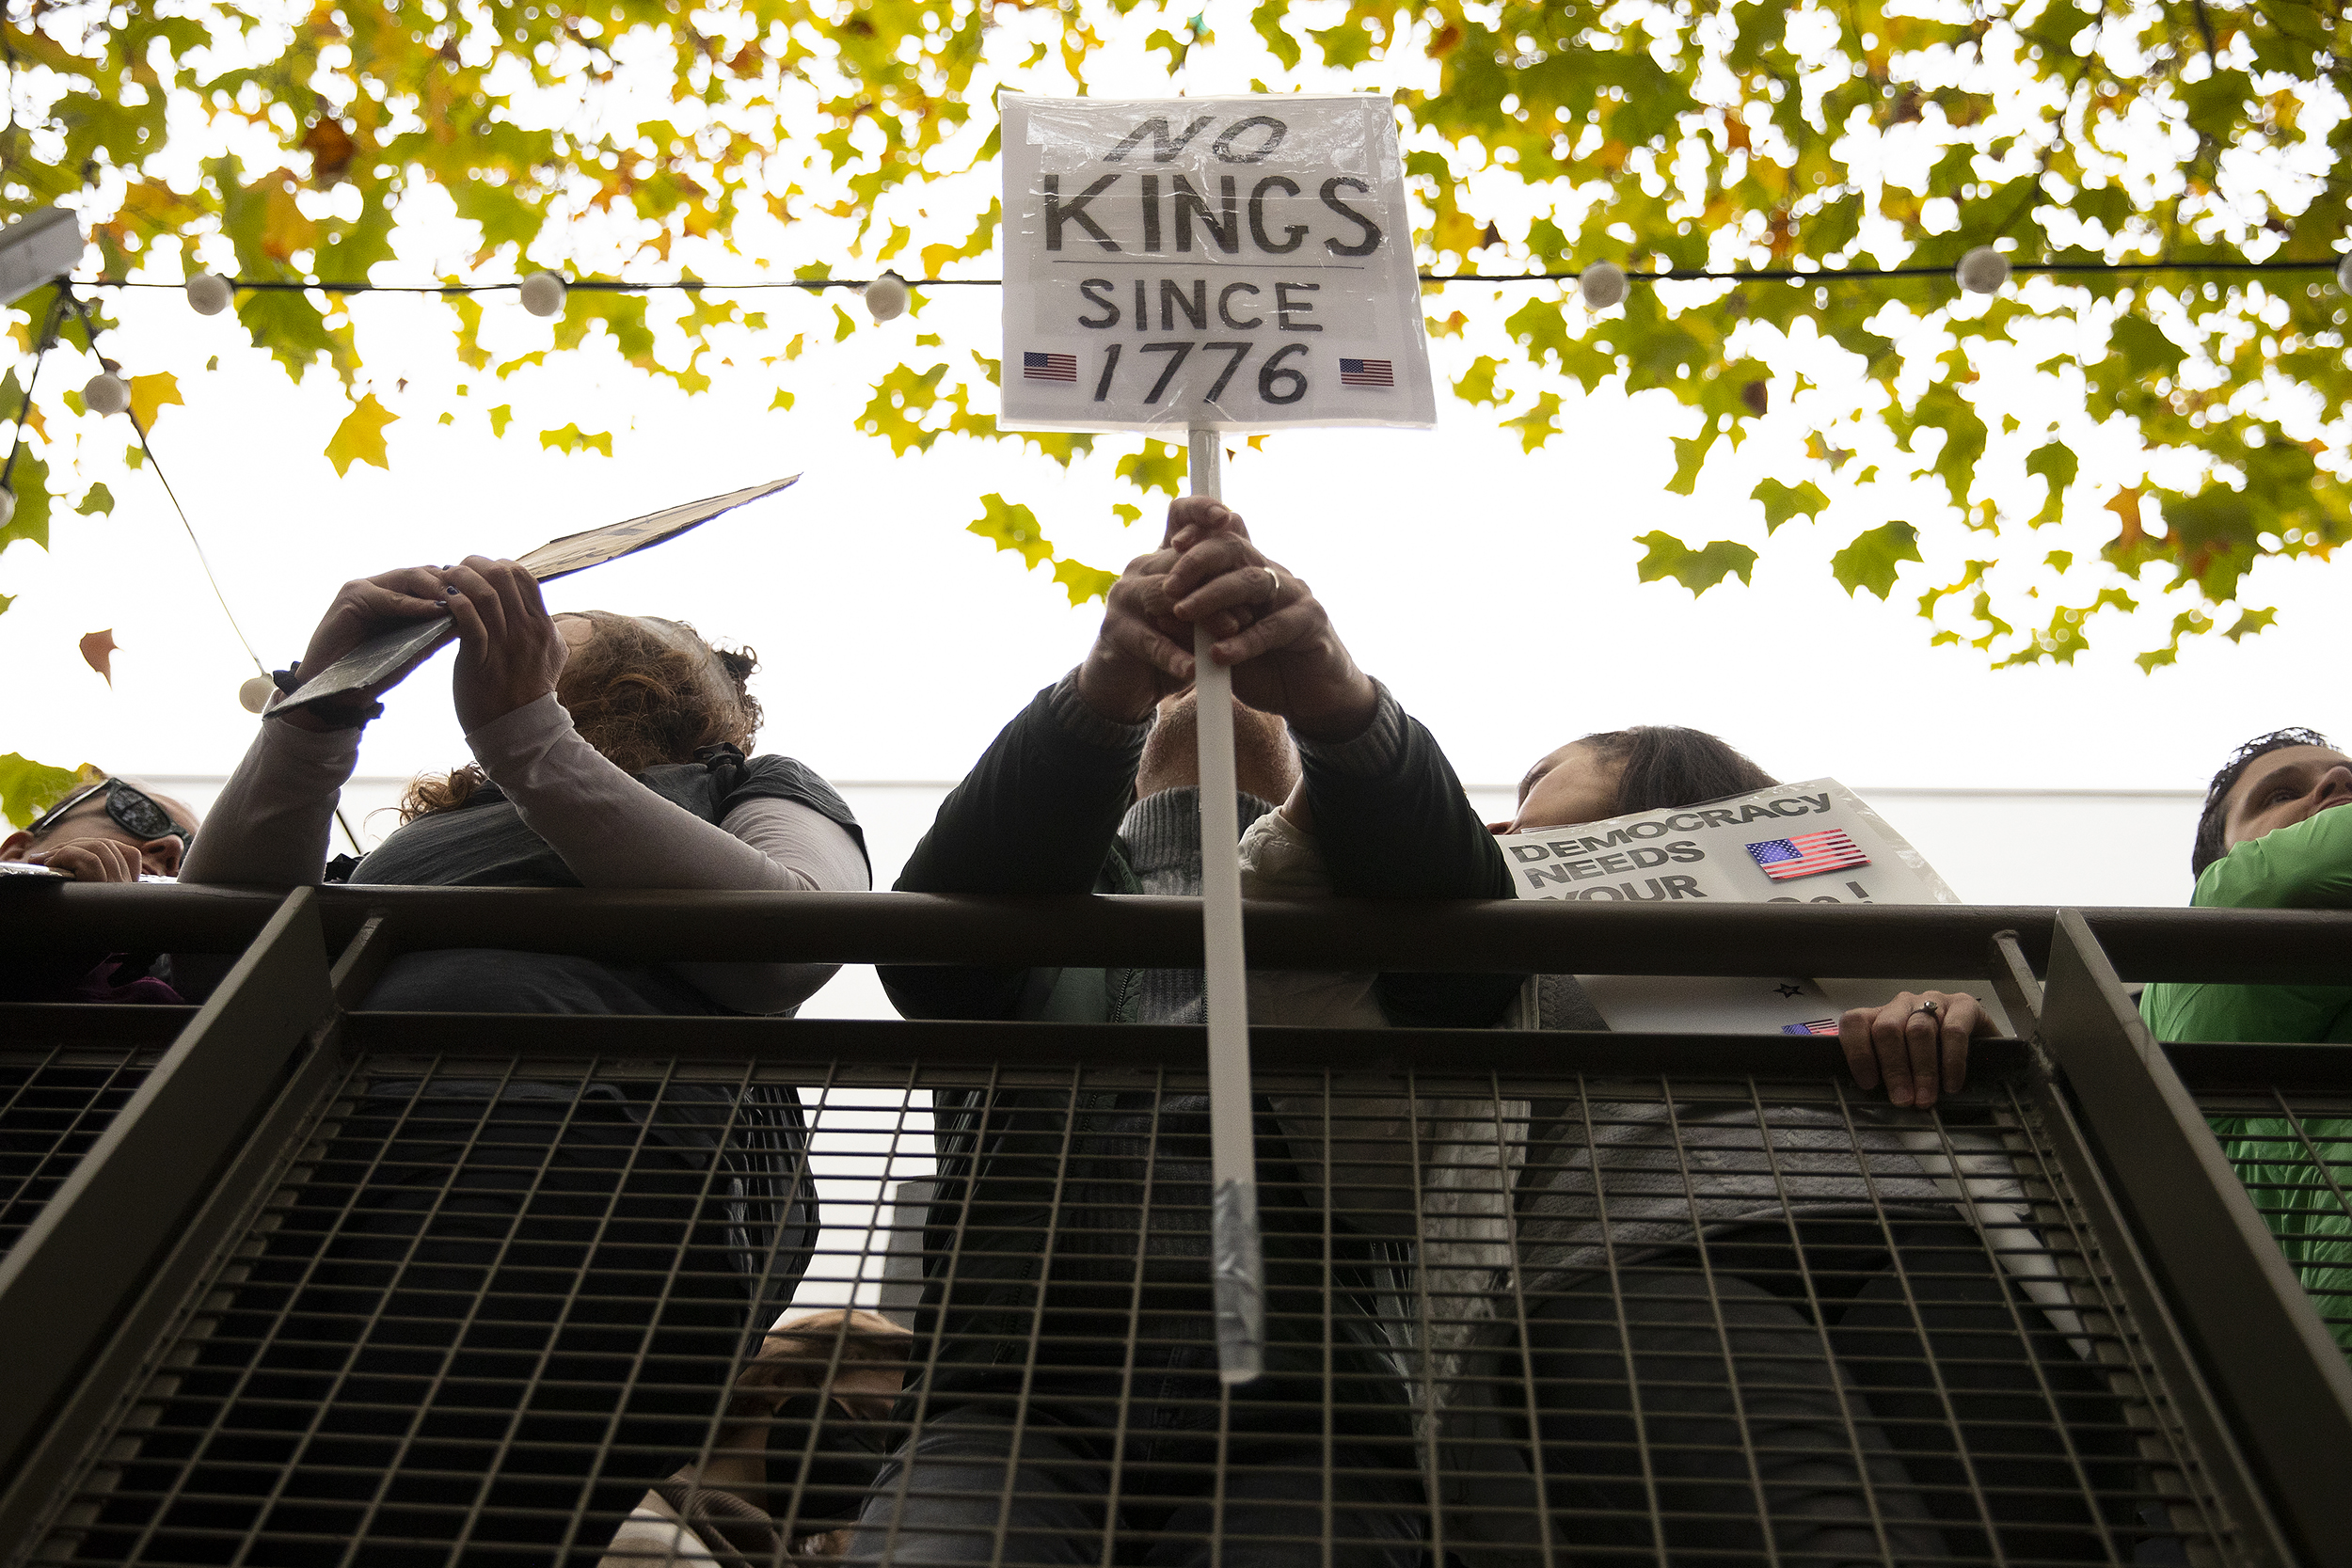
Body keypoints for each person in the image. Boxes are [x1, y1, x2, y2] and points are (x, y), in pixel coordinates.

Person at [109, 559, 869, 1568]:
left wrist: (527, 735)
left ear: (674, 681)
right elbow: (225, 952)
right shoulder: (424, 841)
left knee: (407, 1505)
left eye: (558, 619)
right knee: (175, 1507)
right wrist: (322, 698)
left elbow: (787, 939)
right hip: (305, 1168)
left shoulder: (746, 783)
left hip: (561, 1156)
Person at [1243, 722, 2134, 1565]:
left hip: (1929, 1240)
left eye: (1535, 779)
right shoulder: (1485, 961)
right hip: (1633, 1272)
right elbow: (1363, 1167)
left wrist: (1952, 1023)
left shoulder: (1857, 919)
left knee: (2033, 1530)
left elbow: (2065, 1084)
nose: (1503, 817)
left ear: (1658, 767)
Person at [853, 498, 1519, 1568]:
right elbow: (941, 945)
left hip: (1311, 1417)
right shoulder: (1052, 886)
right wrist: (1097, 699)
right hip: (1012, 1400)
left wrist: (1342, 710)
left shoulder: (1354, 908)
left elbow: (1465, 938)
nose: (1208, 708)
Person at [2138, 728, 2352, 1348]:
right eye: (2282, 793)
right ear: (2224, 857)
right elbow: (2296, 881)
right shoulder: (2226, 905)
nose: (2337, 785)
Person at [0, 773, 199, 1002]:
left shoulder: (163, 1003)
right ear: (15, 852)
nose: (174, 845)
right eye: (136, 814)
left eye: (191, 854)